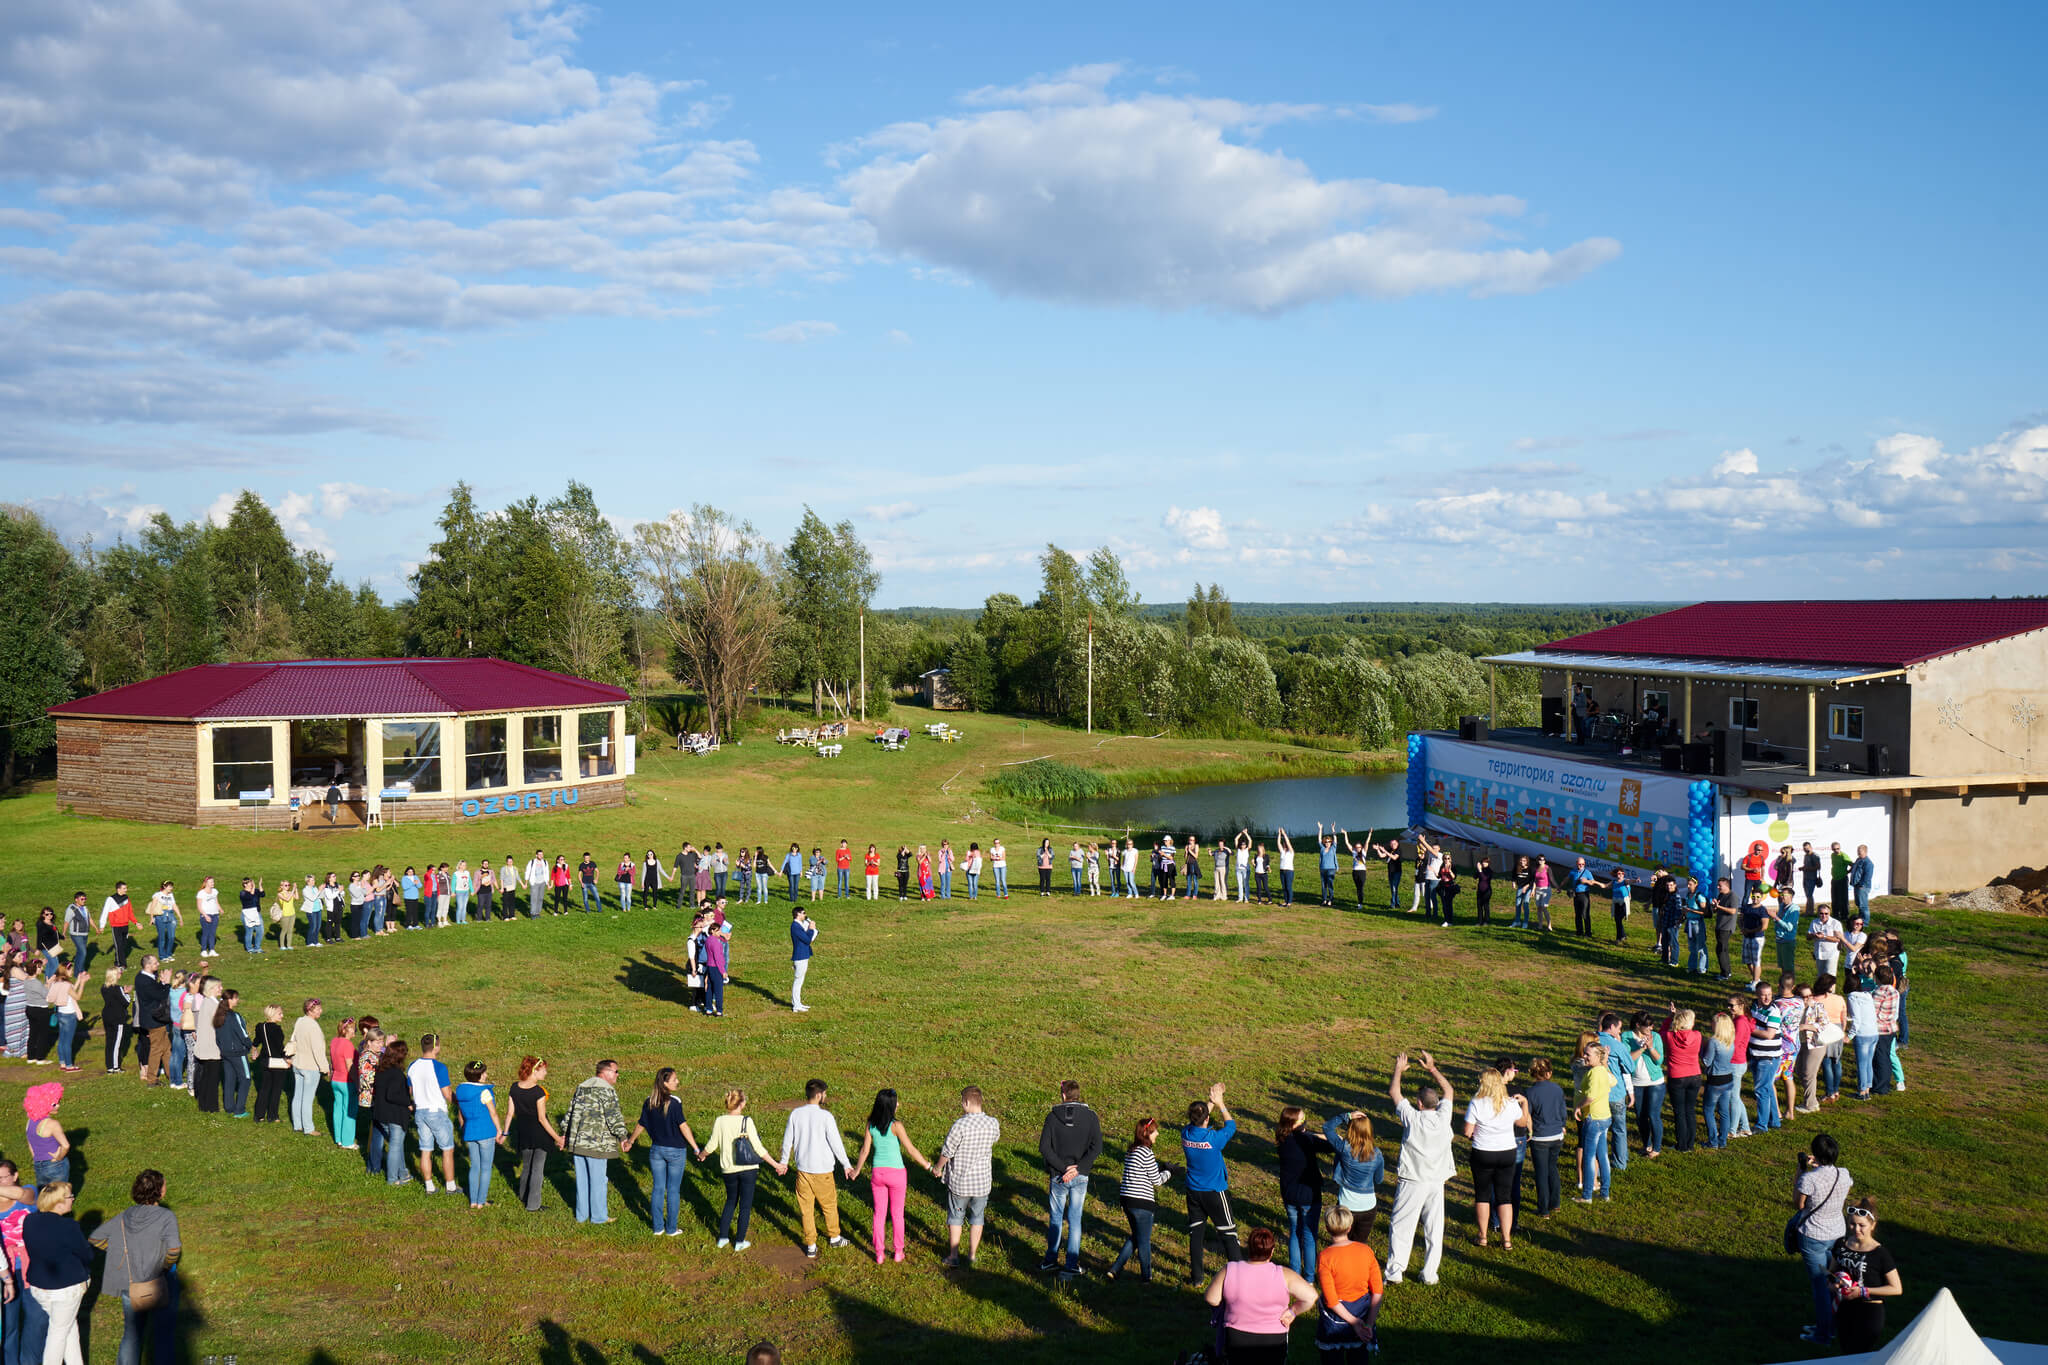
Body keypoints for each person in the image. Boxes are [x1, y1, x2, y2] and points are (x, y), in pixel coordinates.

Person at [89, 1168, 180, 1365]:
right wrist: (165, 1267)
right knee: (163, 1334)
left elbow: (95, 1238)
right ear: (159, 1191)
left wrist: (118, 1251)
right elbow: (174, 1250)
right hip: (161, 1282)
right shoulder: (166, 1217)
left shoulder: (125, 1215)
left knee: (132, 1334)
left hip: (131, 1283)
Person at [1201, 1226, 1318, 1365]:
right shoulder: (1283, 1274)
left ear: (1249, 1248)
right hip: (1273, 1340)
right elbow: (1311, 1297)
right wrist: (1293, 1312)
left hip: (1237, 1337)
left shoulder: (1230, 1269)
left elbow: (1211, 1298)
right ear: (1272, 1251)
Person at [1385, 1051, 1453, 1285]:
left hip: (1413, 1180)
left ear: (1419, 1103)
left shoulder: (1413, 1119)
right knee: (1434, 1228)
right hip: (1436, 1181)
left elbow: (1394, 1092)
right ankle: (1430, 1273)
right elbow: (1450, 1092)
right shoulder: (1444, 1117)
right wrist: (1432, 1068)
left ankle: (1395, 1271)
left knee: (1402, 1225)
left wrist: (1398, 1070)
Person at [848, 1089, 933, 1264]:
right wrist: (927, 1166)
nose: (899, 1104)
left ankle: (879, 1253)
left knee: (879, 1214)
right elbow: (910, 1149)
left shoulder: (871, 1124)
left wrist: (856, 1170)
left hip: (878, 1174)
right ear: (891, 1106)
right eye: (896, 1102)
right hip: (897, 1175)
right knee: (897, 1214)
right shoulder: (897, 1126)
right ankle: (898, 1251)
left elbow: (865, 1150)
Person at [779, 1079, 853, 1258]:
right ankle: (834, 1236)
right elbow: (836, 1143)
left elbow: (788, 1140)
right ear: (819, 1095)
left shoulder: (795, 1114)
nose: (825, 1096)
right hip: (823, 1171)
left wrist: (783, 1162)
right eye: (825, 1094)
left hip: (803, 1171)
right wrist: (846, 1164)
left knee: (806, 1209)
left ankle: (811, 1244)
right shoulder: (826, 1117)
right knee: (828, 1206)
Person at [1036, 1080, 1103, 1278]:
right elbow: (1096, 1147)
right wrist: (1078, 1169)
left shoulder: (1052, 1117)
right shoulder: (1091, 1117)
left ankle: (1050, 1260)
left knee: (1056, 1218)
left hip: (1058, 1175)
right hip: (1080, 1175)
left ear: (1063, 1095)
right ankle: (1071, 1264)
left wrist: (1062, 1168)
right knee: (1075, 1220)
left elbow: (1044, 1148)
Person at [1791, 1133, 1854, 1343]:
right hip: (1837, 1233)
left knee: (1820, 1287)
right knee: (1833, 1282)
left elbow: (1799, 1205)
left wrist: (1801, 1170)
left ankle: (1823, 1334)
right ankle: (1829, 1325)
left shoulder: (1809, 1179)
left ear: (1816, 1155)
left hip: (1813, 1236)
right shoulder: (1843, 1174)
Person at [625, 1067, 702, 1235]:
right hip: (676, 1151)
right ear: (665, 1083)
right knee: (673, 1190)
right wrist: (696, 1148)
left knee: (658, 1188)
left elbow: (641, 1124)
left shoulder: (649, 1101)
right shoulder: (674, 1103)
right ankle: (671, 1228)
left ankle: (658, 1227)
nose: (677, 1082)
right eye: (674, 1079)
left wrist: (630, 1141)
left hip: (656, 1151)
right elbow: (683, 1127)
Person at [23, 1182, 92, 1365]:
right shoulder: (69, 1226)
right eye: (70, 1197)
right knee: (58, 1334)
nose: (73, 1199)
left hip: (39, 1288)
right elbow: (87, 1254)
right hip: (65, 1290)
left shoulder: (29, 1221)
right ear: (59, 1203)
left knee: (68, 1329)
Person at [704, 1089, 782, 1249]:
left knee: (730, 1201)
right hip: (748, 1169)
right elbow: (759, 1149)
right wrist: (776, 1165)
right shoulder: (747, 1121)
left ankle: (722, 1238)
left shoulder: (720, 1121)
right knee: (745, 1206)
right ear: (741, 1103)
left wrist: (702, 1155)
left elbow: (712, 1145)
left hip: (728, 1170)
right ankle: (739, 1241)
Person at [1180, 1081, 1241, 1283]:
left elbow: (1199, 1119)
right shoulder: (1214, 1138)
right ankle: (1239, 1278)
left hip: (1193, 1191)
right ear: (1207, 1118)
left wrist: (1211, 1101)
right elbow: (1231, 1126)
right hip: (1215, 1192)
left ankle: (1197, 1277)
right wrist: (1221, 1103)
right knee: (1229, 1234)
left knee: (1196, 1234)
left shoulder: (1186, 1134)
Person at [935, 1086, 1000, 1268]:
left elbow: (948, 1152)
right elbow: (995, 1139)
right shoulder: (993, 1123)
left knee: (956, 1217)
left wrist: (938, 1167)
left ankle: (954, 1256)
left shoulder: (960, 1126)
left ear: (966, 1103)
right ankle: (972, 1255)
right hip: (982, 1183)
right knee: (977, 1217)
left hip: (960, 1183)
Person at [1464, 1067, 1529, 1247]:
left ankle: (1483, 1236)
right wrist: (1524, 1104)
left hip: (1483, 1152)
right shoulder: (1509, 1103)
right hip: (1507, 1152)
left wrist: (1476, 1131)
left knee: (1482, 1195)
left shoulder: (1477, 1102)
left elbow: (1467, 1131)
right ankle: (1506, 1239)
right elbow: (1522, 1123)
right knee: (1504, 1196)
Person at [563, 1059, 630, 1224]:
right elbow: (613, 1116)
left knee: (582, 1181)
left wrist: (564, 1133)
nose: (617, 1075)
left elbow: (570, 1113)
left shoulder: (581, 1087)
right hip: (597, 1144)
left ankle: (581, 1215)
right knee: (598, 1181)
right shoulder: (607, 1091)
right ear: (606, 1072)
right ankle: (599, 1217)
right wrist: (622, 1136)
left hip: (578, 1143)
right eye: (616, 1071)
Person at [1829, 1199, 1901, 1352]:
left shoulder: (1880, 1253)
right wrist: (1834, 1284)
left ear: (1872, 1225)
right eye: (1852, 1224)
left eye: (1862, 1225)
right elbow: (1832, 1272)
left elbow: (1896, 1288)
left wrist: (1863, 1291)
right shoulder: (1841, 1244)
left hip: (1869, 1311)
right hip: (1845, 1307)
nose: (1856, 1229)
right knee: (1846, 1353)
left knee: (1860, 1354)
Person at [1315, 1206, 1384, 1363]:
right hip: (1361, 1312)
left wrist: (1353, 1322)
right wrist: (1368, 1325)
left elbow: (1331, 1301)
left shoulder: (1325, 1257)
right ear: (1350, 1227)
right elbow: (1377, 1291)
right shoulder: (1366, 1251)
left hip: (1335, 1319)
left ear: (1327, 1228)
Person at [1107, 1117, 1171, 1282]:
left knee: (1136, 1236)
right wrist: (1170, 1172)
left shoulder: (1132, 1151)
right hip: (1142, 1203)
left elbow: (1145, 1170)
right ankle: (1146, 1276)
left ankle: (1115, 1269)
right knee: (1144, 1241)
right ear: (1147, 1133)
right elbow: (1157, 1180)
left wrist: (1161, 1167)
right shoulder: (1146, 1152)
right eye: (1154, 1130)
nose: (1157, 1133)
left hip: (1127, 1200)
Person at [1274, 1106, 1327, 1280]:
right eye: (1302, 1120)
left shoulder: (1282, 1138)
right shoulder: (1307, 1141)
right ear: (1294, 1123)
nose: (1305, 1122)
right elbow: (1331, 1145)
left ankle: (1295, 1275)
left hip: (1289, 1194)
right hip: (1309, 1195)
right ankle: (1310, 1278)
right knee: (1309, 1236)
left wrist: (1311, 1135)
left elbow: (1305, 1136)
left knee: (1295, 1232)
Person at [1322, 1108, 1387, 1246]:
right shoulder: (1377, 1154)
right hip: (1368, 1206)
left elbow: (1327, 1127)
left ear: (1351, 1130)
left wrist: (1346, 1116)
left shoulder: (1344, 1148)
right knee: (1360, 1245)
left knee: (1342, 1243)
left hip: (1347, 1206)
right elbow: (1379, 1180)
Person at [505, 1056, 562, 1214]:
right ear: (535, 1070)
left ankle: (523, 1196)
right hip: (539, 1134)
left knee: (527, 1167)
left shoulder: (514, 1087)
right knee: (537, 1169)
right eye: (544, 1070)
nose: (546, 1073)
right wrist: (558, 1138)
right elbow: (542, 1119)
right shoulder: (538, 1092)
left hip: (523, 1132)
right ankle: (533, 1205)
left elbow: (510, 1113)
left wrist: (504, 1132)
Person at [407, 1034, 458, 1193]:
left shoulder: (412, 1066)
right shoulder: (439, 1067)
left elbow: (410, 1091)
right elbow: (447, 1093)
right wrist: (459, 1104)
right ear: (436, 1046)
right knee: (447, 1149)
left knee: (425, 1150)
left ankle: (429, 1186)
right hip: (436, 1112)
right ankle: (450, 1185)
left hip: (420, 1111)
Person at [453, 1061, 502, 1210]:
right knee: (486, 1168)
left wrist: (463, 1126)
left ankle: (473, 1201)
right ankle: (481, 1201)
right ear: (479, 1076)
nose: (486, 1075)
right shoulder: (484, 1091)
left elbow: (460, 1112)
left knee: (474, 1166)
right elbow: (492, 1112)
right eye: (484, 1073)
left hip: (470, 1131)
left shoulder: (461, 1090)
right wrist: (499, 1129)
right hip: (486, 1131)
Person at [1571, 1041, 1614, 1203]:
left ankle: (1587, 1195)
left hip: (1594, 1119)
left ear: (1597, 1056)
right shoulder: (1602, 1070)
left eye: (1588, 1054)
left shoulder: (1594, 1073)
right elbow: (1613, 1081)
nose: (1584, 1056)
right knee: (1602, 1155)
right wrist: (1605, 1063)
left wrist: (1578, 1107)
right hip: (1605, 1117)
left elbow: (1591, 1097)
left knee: (1589, 1157)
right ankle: (1605, 1192)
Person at [371, 1037, 416, 1184]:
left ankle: (403, 1174)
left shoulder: (381, 1070)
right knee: (395, 1148)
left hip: (381, 1114)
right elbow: (393, 1095)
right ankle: (392, 1179)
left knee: (397, 1145)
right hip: (395, 1115)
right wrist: (409, 1103)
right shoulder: (397, 1074)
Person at [1625, 1012, 1668, 1158]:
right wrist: (1641, 1048)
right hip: (1636, 1083)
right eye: (1648, 1025)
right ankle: (1647, 1145)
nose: (1651, 1028)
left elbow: (1659, 1060)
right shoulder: (1626, 1037)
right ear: (1638, 1025)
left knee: (1653, 1115)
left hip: (1655, 1082)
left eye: (1652, 1025)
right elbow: (1628, 1060)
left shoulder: (1655, 1037)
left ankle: (1656, 1148)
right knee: (1640, 1116)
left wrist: (1650, 1047)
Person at [287, 999, 331, 1138]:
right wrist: (325, 1067)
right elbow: (317, 1050)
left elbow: (293, 1038)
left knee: (298, 1096)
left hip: (298, 1063)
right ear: (309, 1010)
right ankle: (308, 1128)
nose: (320, 1011)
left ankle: (297, 1125)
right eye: (317, 1009)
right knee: (307, 1098)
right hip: (310, 1067)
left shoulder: (300, 1021)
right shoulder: (314, 1027)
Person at [1700, 1013, 1739, 1147]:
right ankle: (1722, 1140)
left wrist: (1701, 1049)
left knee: (1708, 1109)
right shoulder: (1730, 1040)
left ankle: (1713, 1141)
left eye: (1713, 1023)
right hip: (1728, 1078)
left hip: (1715, 1079)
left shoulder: (1713, 1042)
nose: (1711, 1025)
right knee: (1724, 1111)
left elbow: (1707, 1061)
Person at [24, 1083, 70, 1188]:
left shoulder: (30, 1122)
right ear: (43, 1104)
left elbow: (30, 1141)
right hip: (55, 1164)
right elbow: (66, 1145)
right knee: (59, 1195)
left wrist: (35, 1156)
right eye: (54, 1104)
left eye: (58, 1102)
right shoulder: (52, 1124)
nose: (58, 1105)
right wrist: (59, 1158)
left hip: (38, 1164)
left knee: (44, 1195)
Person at [189, 980, 223, 1113]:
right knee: (212, 1079)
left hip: (204, 1045)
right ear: (212, 988)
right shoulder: (213, 1004)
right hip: (211, 1046)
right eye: (219, 987)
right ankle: (211, 1106)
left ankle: (204, 1104)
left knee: (206, 1077)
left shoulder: (206, 1002)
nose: (221, 989)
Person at [217, 989, 251, 1118]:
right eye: (236, 998)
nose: (237, 1000)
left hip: (224, 1052)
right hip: (237, 1052)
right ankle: (239, 1110)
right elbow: (242, 1033)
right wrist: (250, 1045)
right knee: (246, 1079)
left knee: (229, 1079)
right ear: (230, 1000)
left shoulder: (219, 1015)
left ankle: (229, 1106)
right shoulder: (234, 1016)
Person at [329, 1018, 359, 1149]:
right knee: (349, 1110)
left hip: (335, 1079)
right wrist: (357, 1083)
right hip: (347, 1082)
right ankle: (348, 1141)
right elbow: (349, 1066)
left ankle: (339, 1139)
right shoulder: (348, 1044)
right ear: (346, 1030)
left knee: (338, 1109)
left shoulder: (334, 1041)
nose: (355, 1031)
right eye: (353, 1028)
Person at [100, 966, 132, 1075]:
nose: (120, 975)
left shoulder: (103, 988)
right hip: (117, 1017)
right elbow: (126, 1002)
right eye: (119, 973)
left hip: (107, 1016)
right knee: (116, 1042)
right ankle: (115, 1067)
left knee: (109, 1041)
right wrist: (127, 992)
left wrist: (123, 991)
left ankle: (109, 1066)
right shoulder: (117, 989)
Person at [790, 908, 817, 1014]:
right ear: (798, 914)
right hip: (800, 956)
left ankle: (798, 1003)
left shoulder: (798, 925)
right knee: (798, 981)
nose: (805, 915)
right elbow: (807, 940)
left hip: (803, 955)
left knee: (800, 981)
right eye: (803, 913)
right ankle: (796, 1005)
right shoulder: (795, 926)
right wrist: (811, 929)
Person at [1849, 845, 1875, 921]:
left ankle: (1865, 922)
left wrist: (1861, 884)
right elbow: (1854, 868)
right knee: (1859, 904)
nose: (1858, 853)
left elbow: (1868, 876)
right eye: (1858, 852)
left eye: (1860, 852)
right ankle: (1860, 920)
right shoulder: (1858, 860)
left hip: (1863, 887)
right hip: (1856, 885)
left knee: (1863, 905)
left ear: (1865, 852)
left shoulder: (1868, 863)